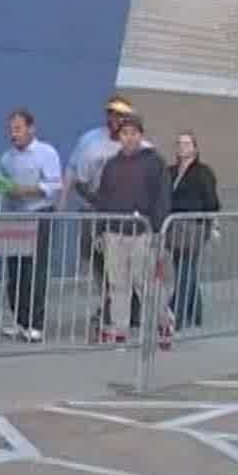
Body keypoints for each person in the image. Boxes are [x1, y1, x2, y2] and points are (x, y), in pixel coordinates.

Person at [60, 95, 151, 336]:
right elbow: (76, 175)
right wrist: (66, 200)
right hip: (95, 210)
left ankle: (123, 314)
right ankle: (112, 308)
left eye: (120, 115)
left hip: (127, 217)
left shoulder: (143, 149)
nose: (114, 119)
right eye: (111, 114)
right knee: (100, 263)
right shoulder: (90, 140)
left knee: (127, 267)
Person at [81, 114, 171, 345]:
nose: (129, 138)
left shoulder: (154, 162)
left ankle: (163, 323)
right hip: (114, 232)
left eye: (133, 133)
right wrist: (100, 230)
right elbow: (103, 199)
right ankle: (119, 328)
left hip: (143, 231)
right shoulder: (112, 165)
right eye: (124, 134)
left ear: (141, 135)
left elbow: (161, 198)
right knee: (117, 283)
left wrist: (158, 230)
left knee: (146, 283)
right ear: (119, 137)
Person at [0, 108, 62, 343]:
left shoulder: (46, 153)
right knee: (15, 270)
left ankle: (35, 323)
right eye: (11, 130)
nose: (14, 134)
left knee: (35, 270)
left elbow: (54, 185)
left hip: (39, 214)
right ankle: (19, 320)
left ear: (31, 128)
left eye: (18, 129)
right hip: (15, 217)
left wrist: (26, 190)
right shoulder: (6, 157)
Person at [166, 131, 220, 330]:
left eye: (187, 144)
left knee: (185, 269)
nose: (182, 147)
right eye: (179, 143)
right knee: (184, 268)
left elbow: (212, 201)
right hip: (174, 226)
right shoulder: (171, 171)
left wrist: (213, 225)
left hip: (195, 225)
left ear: (195, 148)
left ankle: (176, 313)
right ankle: (195, 313)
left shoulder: (203, 172)